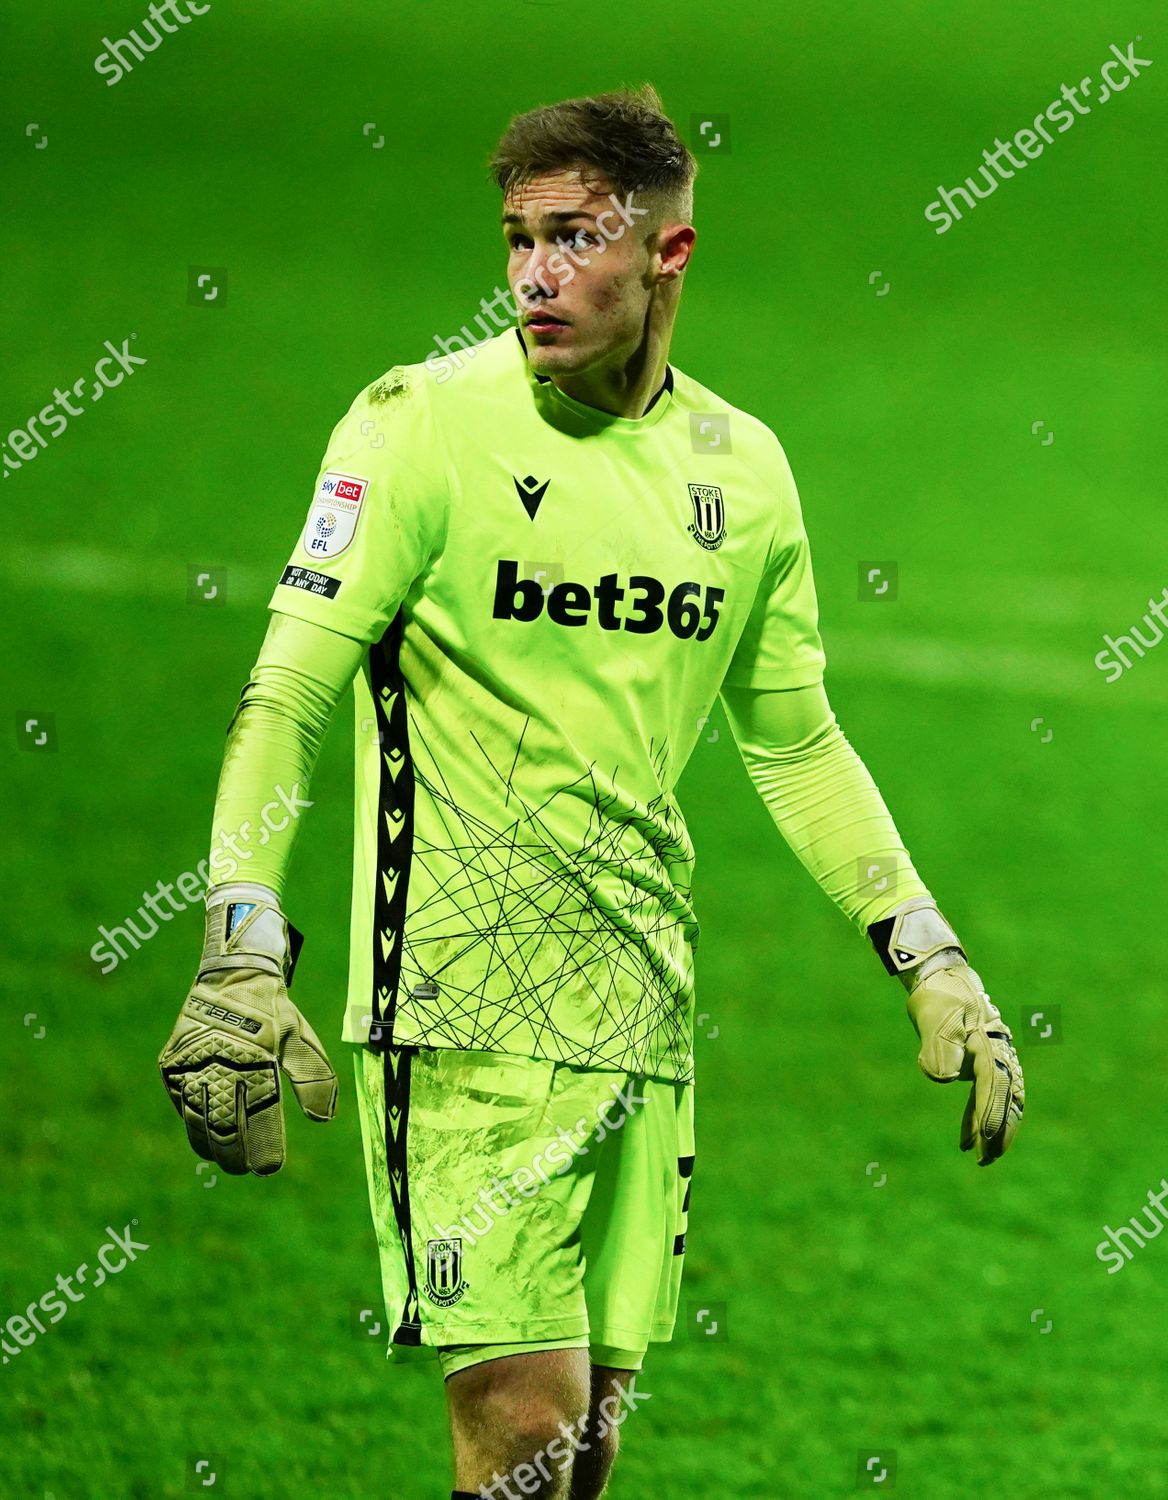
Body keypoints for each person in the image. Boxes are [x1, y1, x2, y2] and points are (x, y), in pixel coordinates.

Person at [159, 85, 1025, 1500]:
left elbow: (796, 741)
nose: (534, 277)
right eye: (517, 239)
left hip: (640, 1003)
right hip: (454, 1001)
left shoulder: (742, 472)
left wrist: (931, 956)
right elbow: (289, 690)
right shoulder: (416, 426)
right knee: (522, 1427)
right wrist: (242, 941)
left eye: (574, 238)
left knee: (581, 1456)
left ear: (669, 256)